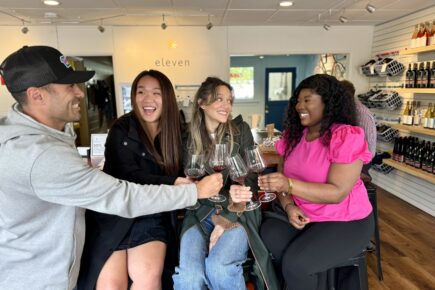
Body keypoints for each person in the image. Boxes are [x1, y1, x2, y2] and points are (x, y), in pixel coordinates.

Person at [0, 45, 223, 290]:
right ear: (36, 95)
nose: (80, 93)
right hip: (39, 277)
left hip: (133, 220)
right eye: (69, 87)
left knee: (147, 275)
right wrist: (192, 191)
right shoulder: (41, 155)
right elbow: (121, 192)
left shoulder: (45, 137)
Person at [258, 74, 374, 290]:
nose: (299, 106)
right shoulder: (294, 137)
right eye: (297, 101)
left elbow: (337, 192)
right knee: (269, 233)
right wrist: (289, 205)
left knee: (296, 265)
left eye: (307, 100)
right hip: (302, 214)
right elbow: (282, 183)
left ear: (327, 102)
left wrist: (288, 185)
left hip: (345, 220)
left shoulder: (345, 137)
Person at [77, 70, 189, 290]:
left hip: (151, 213)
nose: (148, 99)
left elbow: (190, 169)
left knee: (146, 278)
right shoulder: (121, 128)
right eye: (141, 92)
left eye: (156, 93)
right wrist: (173, 182)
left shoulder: (177, 132)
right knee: (111, 285)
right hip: (114, 214)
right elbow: (126, 176)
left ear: (167, 97)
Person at [172, 77, 279, 290]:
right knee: (189, 277)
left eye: (229, 100)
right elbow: (181, 178)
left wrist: (225, 221)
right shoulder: (185, 136)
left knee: (219, 267)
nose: (226, 106)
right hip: (199, 212)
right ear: (202, 102)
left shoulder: (240, 130)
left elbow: (250, 179)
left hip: (237, 211)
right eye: (219, 99)